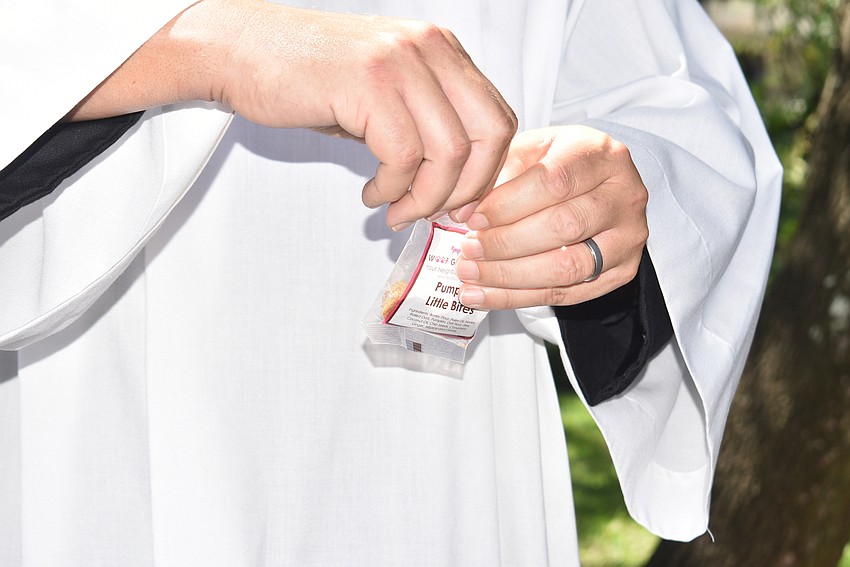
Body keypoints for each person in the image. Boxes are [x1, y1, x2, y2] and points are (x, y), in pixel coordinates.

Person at [0, 0, 781, 565]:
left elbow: (673, 105)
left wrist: (602, 200)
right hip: (87, 446)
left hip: (443, 466)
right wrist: (209, 44)